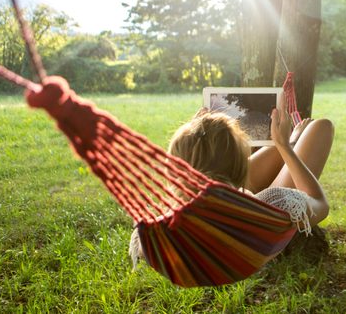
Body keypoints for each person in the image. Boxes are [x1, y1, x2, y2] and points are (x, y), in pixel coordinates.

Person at [129, 97, 334, 267]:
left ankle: (288, 141)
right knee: (321, 127)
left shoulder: (161, 228)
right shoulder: (272, 205)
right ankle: (290, 141)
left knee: (306, 133)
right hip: (250, 215)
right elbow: (319, 203)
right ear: (240, 169)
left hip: (221, 207)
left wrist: (195, 137)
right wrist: (284, 147)